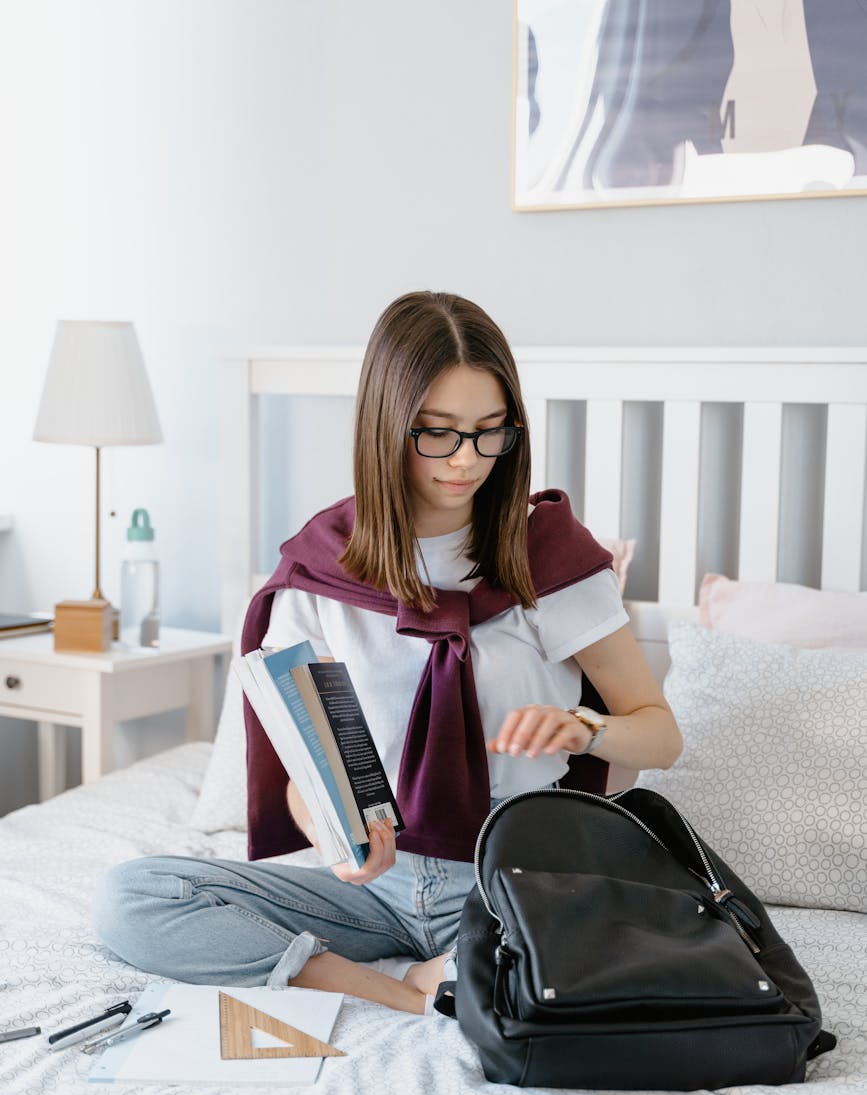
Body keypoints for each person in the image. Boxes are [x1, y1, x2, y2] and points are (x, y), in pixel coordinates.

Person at [92, 291, 682, 1015]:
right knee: (133, 898)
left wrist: (584, 728)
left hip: (517, 879)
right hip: (377, 889)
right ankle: (400, 993)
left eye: (489, 432)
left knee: (603, 950)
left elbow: (659, 732)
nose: (466, 461)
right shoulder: (322, 570)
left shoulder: (548, 557)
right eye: (436, 433)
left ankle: (466, 971)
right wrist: (335, 837)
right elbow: (302, 774)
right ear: (385, 426)